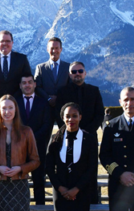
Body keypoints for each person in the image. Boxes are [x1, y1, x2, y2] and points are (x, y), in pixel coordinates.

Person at [55, 61, 104, 203]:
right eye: (74, 71)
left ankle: (92, 202)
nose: (77, 74)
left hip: (90, 139)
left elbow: (99, 114)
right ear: (70, 74)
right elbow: (59, 115)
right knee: (70, 171)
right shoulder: (62, 92)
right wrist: (70, 132)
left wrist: (85, 132)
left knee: (90, 171)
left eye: (80, 71)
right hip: (68, 139)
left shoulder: (94, 90)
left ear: (85, 73)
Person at [0, 95, 40, 211]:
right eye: (4, 108)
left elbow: (36, 161)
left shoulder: (26, 132)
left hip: (20, 185)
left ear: (16, 109)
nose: (7, 111)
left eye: (10, 108)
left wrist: (20, 168)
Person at [46, 102, 98, 211]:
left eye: (74, 116)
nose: (71, 119)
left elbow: (92, 167)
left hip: (82, 191)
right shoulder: (55, 139)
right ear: (62, 118)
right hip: (60, 192)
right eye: (67, 116)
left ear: (80, 117)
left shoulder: (89, 139)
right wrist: (60, 188)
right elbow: (49, 167)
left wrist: (77, 189)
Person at [14, 74, 52, 205]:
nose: (27, 85)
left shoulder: (43, 103)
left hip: (38, 147)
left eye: (30, 82)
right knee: (18, 180)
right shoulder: (14, 102)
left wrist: (32, 138)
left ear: (35, 84)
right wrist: (22, 139)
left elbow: (47, 124)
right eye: (24, 83)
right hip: (18, 147)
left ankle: (40, 207)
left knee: (38, 181)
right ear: (20, 86)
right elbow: (11, 123)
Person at [0, 30, 32, 96]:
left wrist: (14, 97)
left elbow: (28, 79)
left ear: (12, 43)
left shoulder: (22, 59)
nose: (5, 43)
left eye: (8, 41)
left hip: (17, 101)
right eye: (2, 41)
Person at [34, 37, 70, 111]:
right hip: (45, 107)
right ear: (47, 49)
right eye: (52, 48)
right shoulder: (40, 68)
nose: (54, 51)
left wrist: (58, 98)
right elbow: (37, 87)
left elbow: (71, 87)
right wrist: (48, 98)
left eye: (57, 48)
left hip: (63, 107)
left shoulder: (68, 67)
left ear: (61, 49)